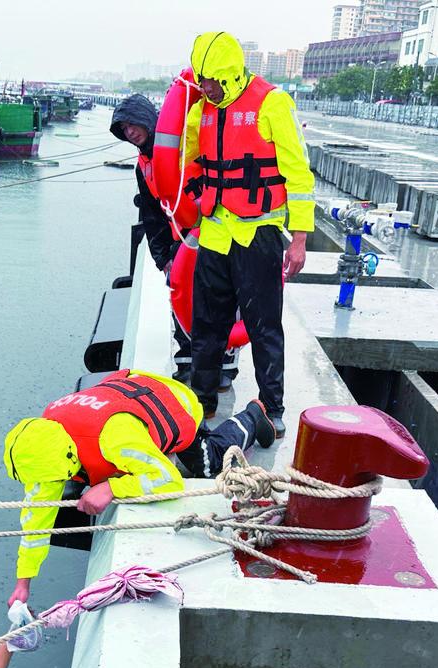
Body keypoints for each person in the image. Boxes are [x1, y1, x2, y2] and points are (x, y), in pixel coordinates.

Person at [4, 368, 276, 607]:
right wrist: (23, 583)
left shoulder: (113, 437)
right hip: (129, 397)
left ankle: (252, 417)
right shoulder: (45, 440)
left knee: (207, 464)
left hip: (172, 400)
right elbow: (36, 518)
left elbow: (168, 479)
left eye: (53, 481)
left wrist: (111, 488)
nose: (50, 486)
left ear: (68, 459)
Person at [184, 32, 316, 436]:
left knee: (264, 327)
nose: (205, 88)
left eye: (211, 81)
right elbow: (184, 161)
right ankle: (201, 403)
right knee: (206, 326)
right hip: (214, 234)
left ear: (229, 74)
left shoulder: (273, 102)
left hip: (258, 235)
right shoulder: (199, 111)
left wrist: (299, 236)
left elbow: (298, 172)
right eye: (201, 81)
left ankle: (272, 408)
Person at [109, 94, 193, 383]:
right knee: (180, 300)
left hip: (202, 233)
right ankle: (189, 361)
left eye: (132, 124)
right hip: (176, 242)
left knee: (212, 302)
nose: (130, 132)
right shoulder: (142, 165)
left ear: (147, 118)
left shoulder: (181, 147)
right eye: (124, 129)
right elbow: (151, 215)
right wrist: (163, 258)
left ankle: (216, 366)